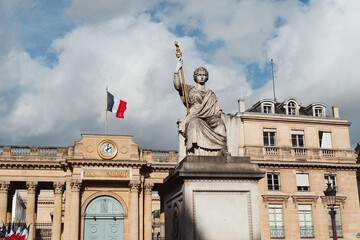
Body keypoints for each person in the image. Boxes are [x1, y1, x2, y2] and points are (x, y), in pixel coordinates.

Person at [174, 58, 228, 156]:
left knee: (220, 124)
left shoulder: (211, 94)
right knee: (195, 122)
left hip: (210, 118)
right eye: (199, 75)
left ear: (206, 77)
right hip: (195, 116)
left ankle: (222, 149)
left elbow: (217, 110)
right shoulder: (189, 89)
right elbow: (177, 86)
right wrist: (176, 71)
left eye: (204, 75)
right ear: (195, 77)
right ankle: (195, 151)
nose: (202, 77)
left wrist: (220, 115)